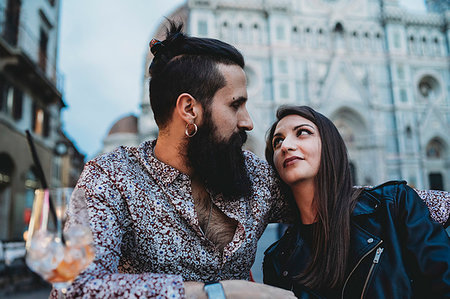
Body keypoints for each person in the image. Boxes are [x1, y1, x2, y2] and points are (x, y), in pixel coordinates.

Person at [54, 21, 447, 298]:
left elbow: (346, 197)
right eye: (236, 104)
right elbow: (73, 286)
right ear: (189, 110)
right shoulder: (112, 177)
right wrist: (219, 294)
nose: (249, 121)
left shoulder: (252, 178)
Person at [263, 105, 450, 298]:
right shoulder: (277, 260)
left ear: (331, 146)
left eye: (302, 132)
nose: (285, 146)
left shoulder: (393, 205)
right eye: (278, 141)